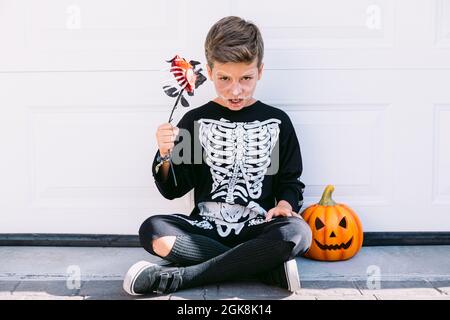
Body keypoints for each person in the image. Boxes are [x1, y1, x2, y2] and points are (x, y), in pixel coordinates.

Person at [123, 16, 312, 296]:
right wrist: (164, 155)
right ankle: (263, 264)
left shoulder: (275, 121)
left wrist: (284, 204)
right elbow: (174, 189)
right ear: (209, 72)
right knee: (153, 230)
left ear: (260, 71)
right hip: (204, 227)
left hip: (257, 227)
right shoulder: (195, 120)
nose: (235, 90)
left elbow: (290, 179)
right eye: (224, 78)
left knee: (296, 233)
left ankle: (180, 278)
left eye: (246, 78)